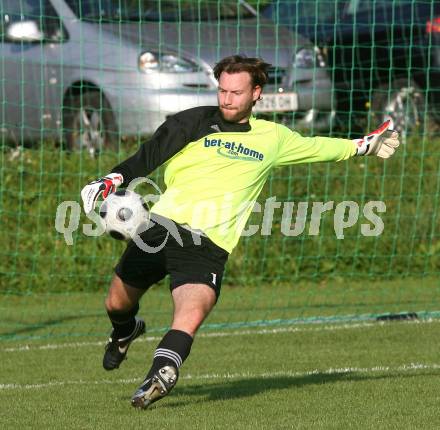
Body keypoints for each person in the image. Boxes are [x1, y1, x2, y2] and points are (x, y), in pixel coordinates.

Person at [80, 55, 400, 409]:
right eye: (222, 91)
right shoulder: (195, 121)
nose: (226, 99)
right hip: (159, 228)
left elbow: (319, 147)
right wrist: (114, 178)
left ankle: (161, 373)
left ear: (256, 93)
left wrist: (363, 146)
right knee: (116, 303)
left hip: (207, 242)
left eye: (235, 92)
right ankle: (126, 330)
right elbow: (151, 153)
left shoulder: (273, 138)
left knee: (191, 310)